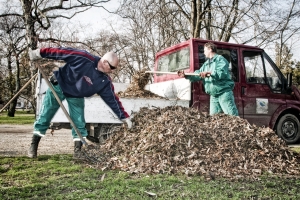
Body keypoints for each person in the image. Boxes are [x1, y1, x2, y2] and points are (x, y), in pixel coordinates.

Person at [28, 47, 133, 159]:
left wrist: (124, 117)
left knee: (79, 122)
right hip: (59, 86)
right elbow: (60, 52)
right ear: (104, 62)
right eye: (112, 67)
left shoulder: (104, 81)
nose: (112, 71)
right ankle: (33, 147)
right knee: (45, 115)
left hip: (76, 95)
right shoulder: (83, 58)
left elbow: (112, 99)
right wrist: (39, 53)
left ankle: (77, 152)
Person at [178, 42, 238, 116]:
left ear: (210, 49)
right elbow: (198, 74)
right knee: (214, 119)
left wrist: (209, 74)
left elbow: (221, 72)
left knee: (233, 117)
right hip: (213, 95)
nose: (204, 52)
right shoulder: (206, 64)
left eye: (205, 50)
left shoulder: (220, 59)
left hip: (224, 93)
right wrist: (186, 75)